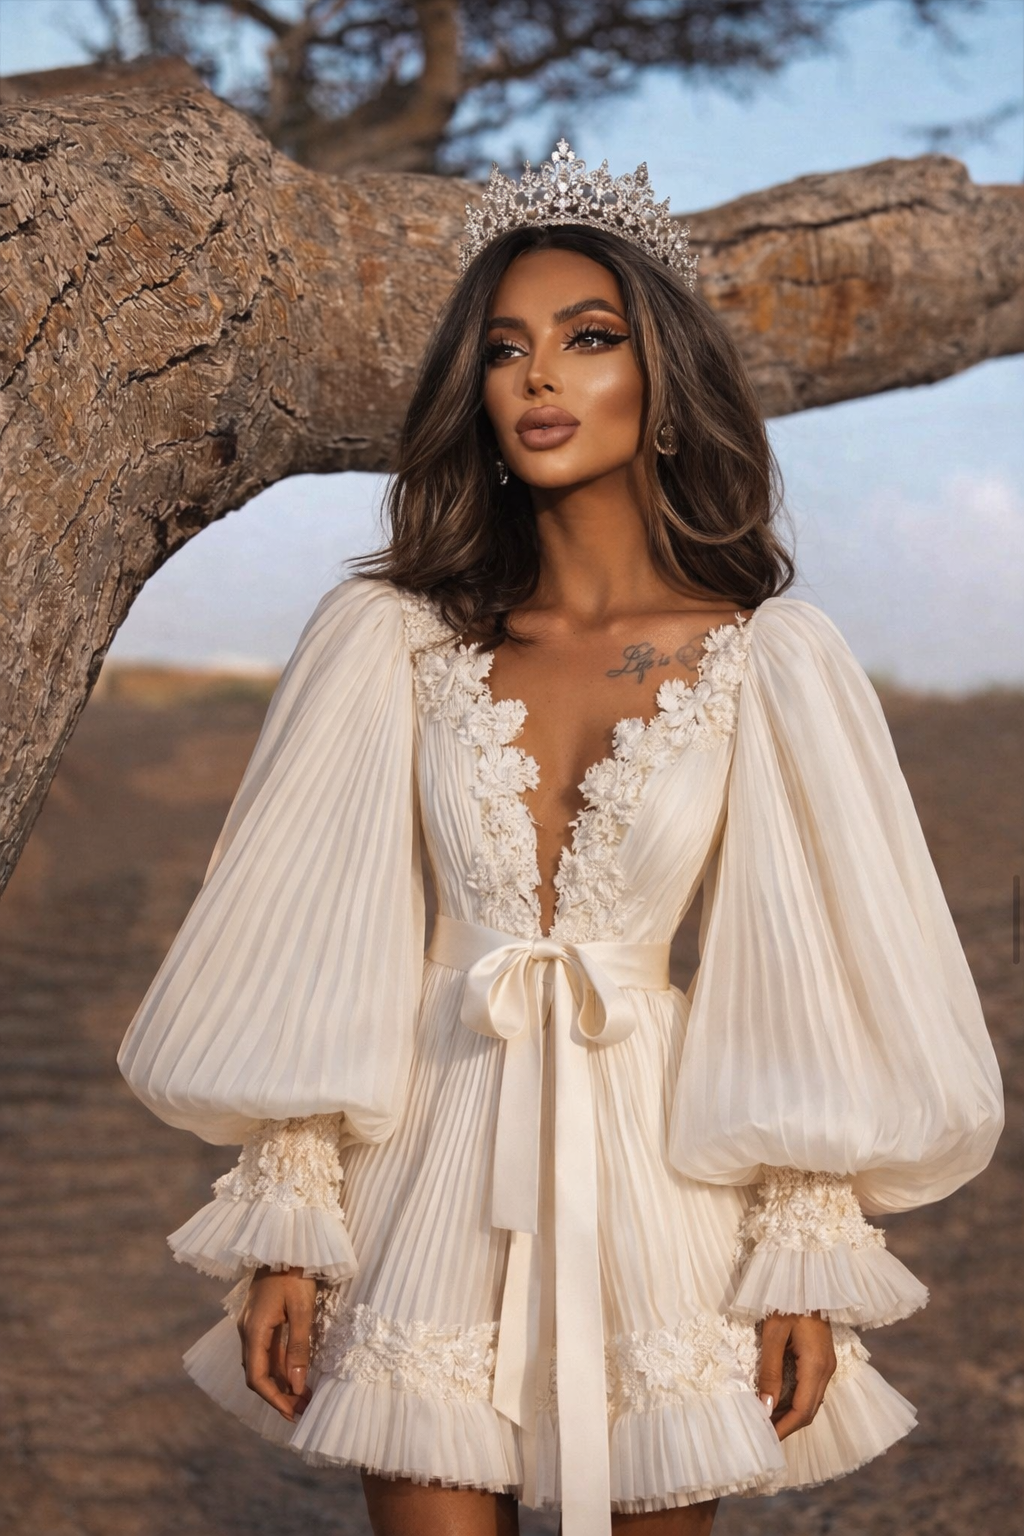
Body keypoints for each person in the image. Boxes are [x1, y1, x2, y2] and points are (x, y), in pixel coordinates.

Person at [117, 140, 1004, 1536]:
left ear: (656, 386)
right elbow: (322, 928)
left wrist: (802, 1257)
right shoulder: (392, 641)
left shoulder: (767, 660)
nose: (538, 376)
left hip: (659, 1176)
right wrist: (290, 1217)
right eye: (506, 347)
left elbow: (809, 963)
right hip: (426, 1161)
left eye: (586, 340)